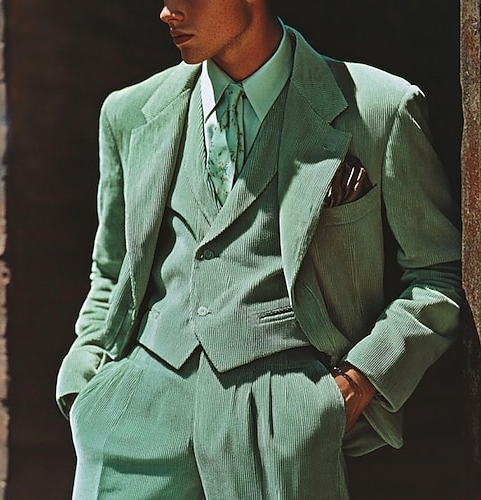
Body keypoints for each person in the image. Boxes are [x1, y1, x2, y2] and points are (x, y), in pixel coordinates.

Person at [56, 0, 463, 498]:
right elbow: (111, 270)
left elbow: (438, 273)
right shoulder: (128, 113)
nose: (167, 11)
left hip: (283, 429)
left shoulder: (380, 108)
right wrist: (85, 385)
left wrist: (356, 386)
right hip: (132, 421)